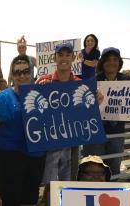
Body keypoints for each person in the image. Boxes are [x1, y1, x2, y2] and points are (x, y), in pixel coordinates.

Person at [0, 56, 45, 206]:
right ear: (12, 74)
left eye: (26, 71)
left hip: (36, 152)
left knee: (31, 193)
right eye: (17, 72)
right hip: (9, 153)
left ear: (32, 73)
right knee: (8, 194)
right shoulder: (2, 96)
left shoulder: (43, 95)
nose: (22, 76)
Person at [82, 47, 130, 176]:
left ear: (119, 62)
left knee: (114, 169)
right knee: (94, 168)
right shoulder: (93, 80)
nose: (111, 63)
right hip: (95, 131)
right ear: (102, 62)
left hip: (117, 132)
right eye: (108, 59)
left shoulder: (128, 81)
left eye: (115, 59)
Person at [36, 43, 81, 184]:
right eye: (60, 55)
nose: (64, 58)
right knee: (48, 184)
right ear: (54, 58)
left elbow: (87, 112)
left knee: (68, 183)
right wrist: (40, 91)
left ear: (73, 58)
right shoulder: (43, 81)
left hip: (72, 142)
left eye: (68, 55)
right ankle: (48, 204)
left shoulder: (81, 84)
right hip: (50, 140)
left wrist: (96, 99)